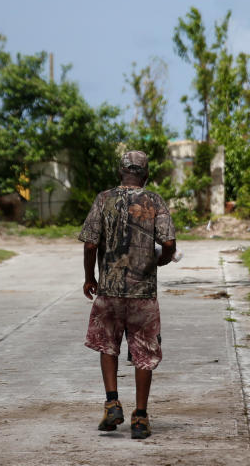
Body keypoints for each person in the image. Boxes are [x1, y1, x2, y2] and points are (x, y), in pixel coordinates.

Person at [80, 150, 176, 439]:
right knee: (144, 353)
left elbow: (89, 244)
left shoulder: (103, 199)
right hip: (143, 292)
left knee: (107, 345)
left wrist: (89, 278)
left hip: (109, 290)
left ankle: (112, 403)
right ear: (145, 176)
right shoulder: (154, 200)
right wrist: (163, 259)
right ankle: (141, 418)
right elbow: (168, 241)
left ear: (120, 173)